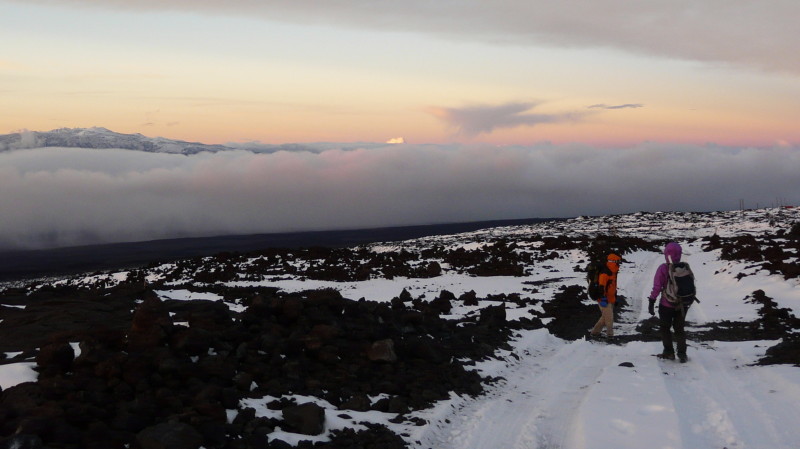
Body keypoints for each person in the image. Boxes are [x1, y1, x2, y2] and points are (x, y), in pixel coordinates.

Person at [648, 242, 692, 362]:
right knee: (679, 328)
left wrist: (652, 301)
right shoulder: (685, 267)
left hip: (666, 304)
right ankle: (682, 354)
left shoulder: (663, 268)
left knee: (665, 328)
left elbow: (657, 287)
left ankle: (669, 352)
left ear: (666, 253)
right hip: (683, 304)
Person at [589, 253, 622, 340]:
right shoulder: (605, 273)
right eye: (618, 261)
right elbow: (601, 287)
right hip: (603, 299)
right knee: (609, 318)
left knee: (605, 318)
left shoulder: (613, 272)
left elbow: (613, 286)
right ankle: (610, 335)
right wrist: (602, 298)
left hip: (610, 298)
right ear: (614, 261)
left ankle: (594, 333)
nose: (619, 263)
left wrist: (615, 297)